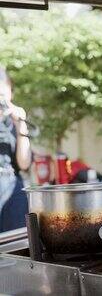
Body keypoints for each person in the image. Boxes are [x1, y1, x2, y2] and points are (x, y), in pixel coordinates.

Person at [0, 66, 31, 232]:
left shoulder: (14, 119)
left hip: (11, 182)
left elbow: (24, 163)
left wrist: (21, 124)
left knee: (17, 239)